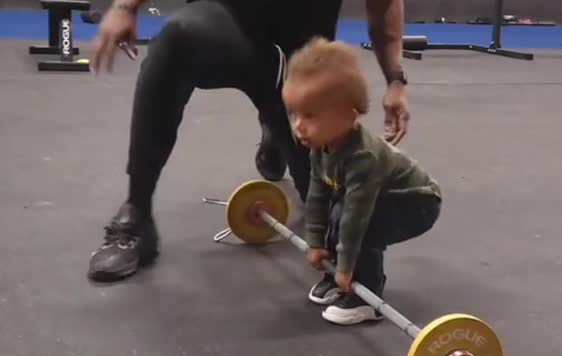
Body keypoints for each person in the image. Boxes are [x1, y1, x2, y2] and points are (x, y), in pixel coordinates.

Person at [87, 0, 412, 282]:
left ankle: (278, 124)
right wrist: (125, 7)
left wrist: (395, 80)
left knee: (331, 227)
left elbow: (384, 7)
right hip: (230, 29)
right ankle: (137, 214)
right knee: (176, 39)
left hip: (301, 69)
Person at [281, 38, 442, 325]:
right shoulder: (322, 146)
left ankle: (368, 297)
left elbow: (356, 218)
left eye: (310, 115)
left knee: (356, 221)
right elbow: (316, 196)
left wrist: (345, 267)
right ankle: (336, 280)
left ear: (348, 116)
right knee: (334, 208)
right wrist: (317, 244)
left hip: (418, 201)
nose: (298, 126)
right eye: (294, 114)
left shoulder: (362, 157)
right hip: (381, 198)